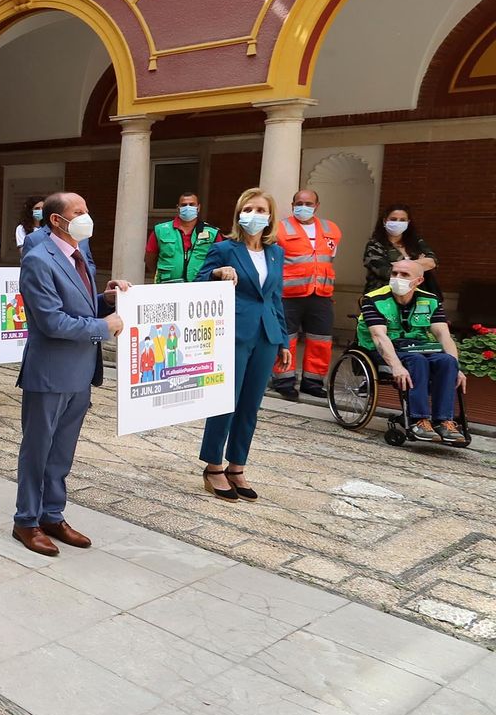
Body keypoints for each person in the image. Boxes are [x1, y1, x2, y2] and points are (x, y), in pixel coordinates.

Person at [12, 192, 127, 557]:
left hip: (79, 371)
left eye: (87, 210)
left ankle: (52, 514)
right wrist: (104, 326)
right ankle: (26, 521)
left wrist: (104, 301)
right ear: (56, 221)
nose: (86, 218)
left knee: (62, 451)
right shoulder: (38, 260)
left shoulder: (80, 257)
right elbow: (51, 320)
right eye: (79, 212)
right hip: (49, 370)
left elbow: (79, 307)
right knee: (38, 449)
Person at [195, 189, 292, 501]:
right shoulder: (225, 248)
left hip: (266, 334)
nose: (254, 214)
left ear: (270, 216)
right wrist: (216, 273)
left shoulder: (275, 253)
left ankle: (237, 466)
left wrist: (284, 339)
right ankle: (213, 466)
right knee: (225, 400)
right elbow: (197, 282)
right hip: (233, 332)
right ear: (239, 214)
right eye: (248, 208)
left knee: (251, 404)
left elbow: (275, 297)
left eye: (260, 209)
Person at [357, 259, 466, 444]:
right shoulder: (374, 299)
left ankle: (444, 421)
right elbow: (378, 337)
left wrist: (457, 367)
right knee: (417, 361)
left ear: (418, 281)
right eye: (394, 273)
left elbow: (443, 335)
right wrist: (397, 366)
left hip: (417, 345)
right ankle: (419, 419)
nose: (397, 278)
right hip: (384, 347)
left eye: (404, 275)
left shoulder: (430, 300)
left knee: (447, 362)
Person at [271, 189, 341, 400]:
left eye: (309, 203)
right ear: (293, 205)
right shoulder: (279, 228)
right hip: (288, 295)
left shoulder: (332, 229)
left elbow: (329, 259)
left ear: (317, 205)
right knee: (286, 339)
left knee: (320, 339)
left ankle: (313, 382)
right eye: (299, 203)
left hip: (320, 294)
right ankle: (284, 380)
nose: (304, 207)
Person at [145, 192, 221, 283]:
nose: (188, 207)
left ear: (198, 208)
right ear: (178, 208)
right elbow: (150, 259)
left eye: (192, 204)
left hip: (200, 286)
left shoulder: (212, 233)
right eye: (184, 205)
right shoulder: (161, 230)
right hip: (167, 286)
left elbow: (220, 260)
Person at [363, 204, 438, 294]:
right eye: (393, 219)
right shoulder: (375, 245)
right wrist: (419, 264)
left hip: (414, 296)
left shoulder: (416, 242)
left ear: (408, 222)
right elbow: (385, 272)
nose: (398, 222)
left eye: (402, 220)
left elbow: (432, 262)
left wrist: (396, 265)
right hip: (382, 296)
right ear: (384, 221)